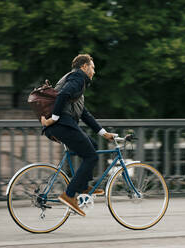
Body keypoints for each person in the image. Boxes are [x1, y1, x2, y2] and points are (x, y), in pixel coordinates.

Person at [41, 54, 116, 216]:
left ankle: (82, 185)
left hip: (62, 125)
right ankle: (69, 195)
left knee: (93, 147)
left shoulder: (76, 82)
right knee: (91, 156)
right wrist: (53, 119)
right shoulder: (78, 78)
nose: (94, 72)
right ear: (84, 67)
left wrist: (103, 133)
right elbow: (62, 95)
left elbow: (84, 114)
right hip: (62, 124)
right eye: (93, 67)